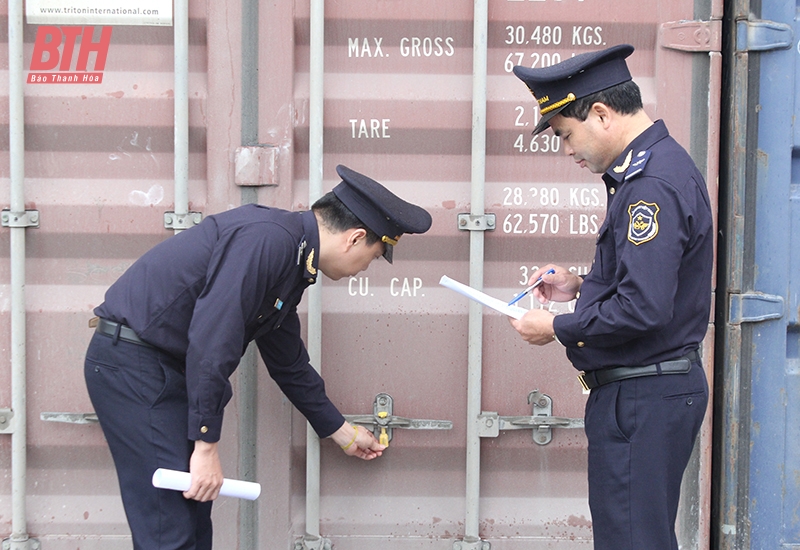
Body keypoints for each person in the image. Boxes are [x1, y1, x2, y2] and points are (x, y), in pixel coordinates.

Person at [84, 164, 432, 549]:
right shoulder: (267, 242)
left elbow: (287, 361)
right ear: (355, 238)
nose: (364, 268)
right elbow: (213, 339)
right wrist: (206, 445)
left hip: (160, 372)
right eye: (374, 256)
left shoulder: (292, 259)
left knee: (194, 524)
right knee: (169, 529)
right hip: (134, 369)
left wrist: (340, 430)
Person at [509, 44, 713, 550]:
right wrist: (581, 287)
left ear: (600, 113)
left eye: (565, 134)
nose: (567, 149)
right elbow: (654, 283)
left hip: (643, 397)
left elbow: (644, 308)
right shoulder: (649, 171)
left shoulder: (649, 186)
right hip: (646, 393)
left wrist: (556, 326)